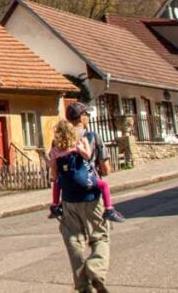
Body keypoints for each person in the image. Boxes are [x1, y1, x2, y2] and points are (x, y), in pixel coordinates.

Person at [56, 102, 113, 293]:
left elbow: (54, 175)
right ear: (81, 117)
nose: (88, 117)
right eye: (87, 114)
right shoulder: (91, 136)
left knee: (74, 241)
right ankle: (96, 271)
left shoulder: (59, 139)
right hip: (92, 196)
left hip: (69, 198)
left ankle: (83, 287)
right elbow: (105, 169)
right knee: (100, 237)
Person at [48, 118, 125, 223]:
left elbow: (53, 166)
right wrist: (84, 145)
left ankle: (55, 205)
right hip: (82, 178)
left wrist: (54, 176)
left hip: (66, 182)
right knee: (104, 185)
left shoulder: (55, 150)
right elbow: (88, 156)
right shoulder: (76, 144)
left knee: (57, 183)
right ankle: (109, 209)